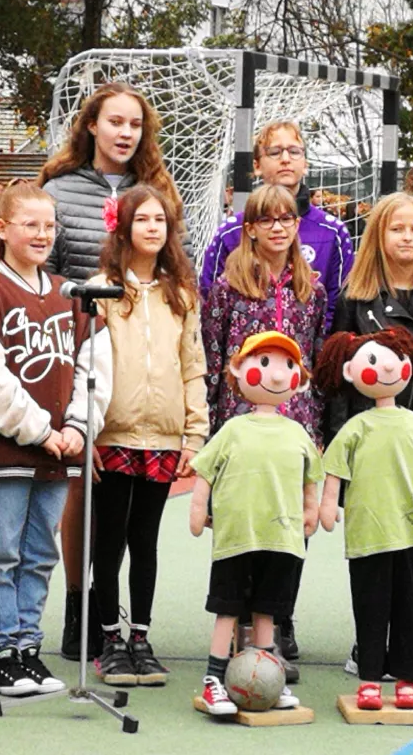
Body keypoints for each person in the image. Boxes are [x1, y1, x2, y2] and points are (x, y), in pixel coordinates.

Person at [40, 82, 180, 660]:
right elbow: (43, 268)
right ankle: (79, 607)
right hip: (77, 346)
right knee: (81, 489)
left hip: (142, 359)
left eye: (135, 125)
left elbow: (172, 266)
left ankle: (123, 623)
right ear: (91, 125)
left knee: (130, 516)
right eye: (114, 122)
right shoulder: (59, 189)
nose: (125, 133)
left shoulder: (158, 192)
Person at [0, 182, 105, 696]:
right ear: (1, 229)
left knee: (40, 554)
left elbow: (94, 367)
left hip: (57, 453)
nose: (43, 234)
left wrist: (78, 428)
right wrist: (40, 430)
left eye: (49, 225)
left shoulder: (71, 293)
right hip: (3, 451)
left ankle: (26, 647)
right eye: (30, 225)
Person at [325, 193, 413, 672]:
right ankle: (369, 642)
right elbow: (337, 381)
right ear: (379, 235)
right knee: (373, 550)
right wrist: (336, 442)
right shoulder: (354, 299)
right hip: (368, 449)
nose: (406, 237)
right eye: (396, 229)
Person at [202, 182, 327, 677]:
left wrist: (312, 426)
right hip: (240, 430)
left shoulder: (310, 290)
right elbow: (215, 359)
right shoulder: (228, 288)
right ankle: (233, 635)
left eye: (287, 219)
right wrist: (214, 428)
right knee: (242, 531)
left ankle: (270, 633)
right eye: (267, 220)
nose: (278, 228)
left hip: (291, 431)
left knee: (286, 531)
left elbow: (312, 360)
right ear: (249, 228)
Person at [86, 185, 207, 687]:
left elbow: (193, 366)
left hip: (162, 436)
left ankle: (141, 635)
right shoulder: (101, 290)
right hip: (113, 434)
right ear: (123, 227)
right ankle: (108, 637)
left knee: (146, 540)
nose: (153, 228)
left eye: (161, 220)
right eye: (143, 220)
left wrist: (194, 435)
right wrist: (86, 431)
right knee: (109, 539)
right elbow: (86, 366)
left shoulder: (180, 294)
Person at [316, 328, 413, 711]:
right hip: (367, 536)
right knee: (370, 609)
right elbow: (334, 475)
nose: (385, 369)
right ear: (351, 373)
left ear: (408, 366)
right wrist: (327, 505)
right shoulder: (355, 428)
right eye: (374, 363)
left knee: (411, 612)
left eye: (393, 360)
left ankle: (407, 678)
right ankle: (369, 678)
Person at [187, 331, 316, 716]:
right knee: (228, 609)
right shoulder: (233, 429)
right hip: (236, 537)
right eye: (264, 364)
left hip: (281, 538)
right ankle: (214, 680)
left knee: (266, 612)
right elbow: (205, 471)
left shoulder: (297, 432)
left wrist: (310, 512)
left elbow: (312, 477)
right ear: (239, 370)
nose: (277, 375)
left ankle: (265, 679)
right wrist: (198, 510)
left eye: (287, 366)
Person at [200, 119, 356, 333]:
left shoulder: (333, 233)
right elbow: (210, 303)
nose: (285, 159)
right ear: (256, 165)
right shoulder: (230, 232)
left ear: (305, 163)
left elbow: (338, 309)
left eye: (294, 152)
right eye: (275, 152)